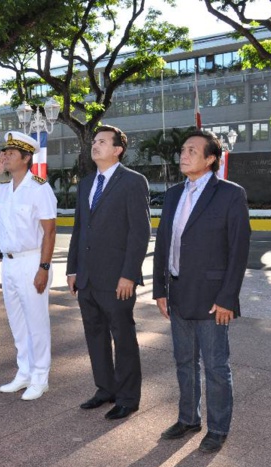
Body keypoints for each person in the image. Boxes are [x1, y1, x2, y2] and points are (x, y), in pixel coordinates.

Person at [152, 130, 251, 454]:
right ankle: (188, 419)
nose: (183, 155)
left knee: (216, 366)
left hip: (212, 299)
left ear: (210, 159)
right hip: (178, 292)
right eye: (183, 149)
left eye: (192, 150)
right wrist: (160, 289)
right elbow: (163, 244)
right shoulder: (173, 194)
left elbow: (238, 250)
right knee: (184, 361)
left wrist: (227, 298)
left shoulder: (230, 194)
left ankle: (218, 428)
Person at [67, 125, 151, 420]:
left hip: (117, 280)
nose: (95, 145)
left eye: (102, 141)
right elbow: (79, 229)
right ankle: (105, 389)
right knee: (95, 336)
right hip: (87, 278)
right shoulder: (86, 183)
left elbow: (140, 233)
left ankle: (128, 398)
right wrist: (72, 269)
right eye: (94, 141)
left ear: (118, 150)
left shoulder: (133, 181)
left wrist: (129, 275)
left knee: (123, 338)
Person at [0, 131, 58, 401]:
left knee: (36, 323)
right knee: (17, 322)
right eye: (4, 153)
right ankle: (24, 372)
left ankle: (40, 377)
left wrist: (43, 267)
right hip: (8, 263)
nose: (5, 157)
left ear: (26, 158)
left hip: (32, 261)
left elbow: (50, 232)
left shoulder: (39, 188)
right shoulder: (3, 190)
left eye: (11, 153)